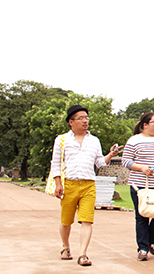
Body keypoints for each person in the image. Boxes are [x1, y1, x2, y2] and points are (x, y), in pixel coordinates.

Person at [50, 104, 121, 267]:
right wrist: (58, 184)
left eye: (86, 118)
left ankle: (83, 254)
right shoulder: (61, 140)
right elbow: (56, 163)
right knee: (66, 220)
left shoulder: (94, 140)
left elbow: (99, 163)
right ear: (71, 122)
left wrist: (110, 155)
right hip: (69, 184)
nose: (85, 121)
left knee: (87, 220)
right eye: (80, 118)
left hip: (89, 185)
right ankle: (66, 247)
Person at [122, 112, 154, 261]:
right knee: (142, 217)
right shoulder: (133, 141)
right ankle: (143, 248)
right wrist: (141, 168)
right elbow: (126, 161)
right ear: (145, 125)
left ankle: (151, 240)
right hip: (139, 185)